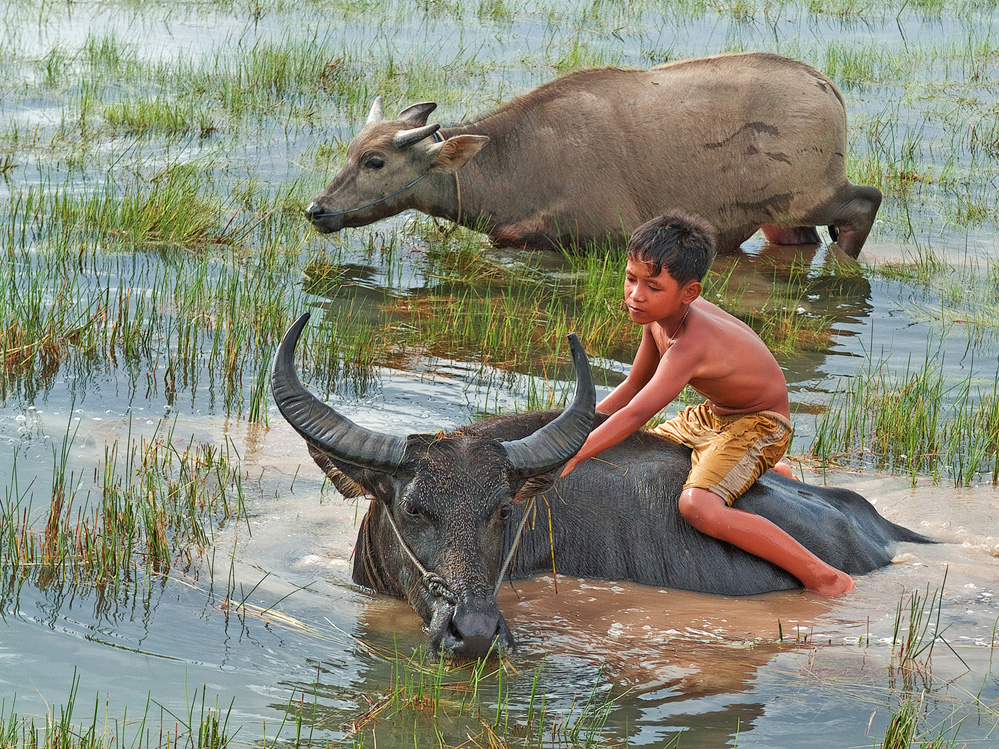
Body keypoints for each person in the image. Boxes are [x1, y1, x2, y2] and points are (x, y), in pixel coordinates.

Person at [560, 211, 854, 596]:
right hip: (711, 415)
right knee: (640, 455)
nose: (635, 294)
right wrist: (571, 428)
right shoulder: (657, 319)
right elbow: (633, 386)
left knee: (698, 507)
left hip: (759, 424)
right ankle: (767, 473)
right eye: (631, 279)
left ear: (689, 293)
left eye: (652, 286)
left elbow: (636, 412)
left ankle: (824, 576)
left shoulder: (690, 344)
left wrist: (575, 454)